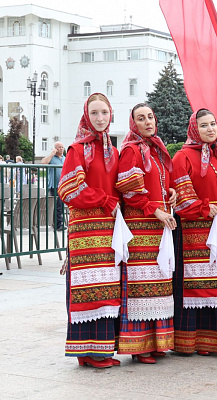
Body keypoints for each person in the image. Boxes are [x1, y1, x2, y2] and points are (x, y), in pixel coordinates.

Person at [58, 93, 121, 368]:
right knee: (88, 288)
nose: (99, 118)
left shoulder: (113, 150)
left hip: (109, 227)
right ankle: (87, 352)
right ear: (86, 115)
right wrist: (104, 199)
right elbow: (69, 189)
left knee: (107, 288)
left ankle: (101, 351)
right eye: (94, 113)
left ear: (111, 115)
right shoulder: (77, 148)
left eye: (104, 113)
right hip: (85, 228)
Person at [171, 109, 217, 355]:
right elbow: (182, 194)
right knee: (198, 285)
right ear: (193, 129)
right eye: (203, 125)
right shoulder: (183, 157)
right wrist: (202, 208)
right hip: (196, 234)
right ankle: (193, 342)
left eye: (213, 124)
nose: (210, 129)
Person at [116, 103, 177, 364]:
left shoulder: (158, 149)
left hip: (160, 223)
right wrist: (156, 210)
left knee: (160, 281)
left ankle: (158, 342)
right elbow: (130, 192)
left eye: (151, 117)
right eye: (141, 119)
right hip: (141, 225)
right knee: (142, 285)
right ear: (133, 124)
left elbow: (163, 182)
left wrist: (171, 193)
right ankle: (140, 346)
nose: (148, 122)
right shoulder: (131, 150)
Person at [41, 142, 66, 230]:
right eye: (59, 147)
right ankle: (58, 225)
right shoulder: (52, 158)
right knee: (57, 206)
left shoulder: (64, 158)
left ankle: (60, 223)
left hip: (63, 185)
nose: (61, 149)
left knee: (61, 206)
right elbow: (44, 162)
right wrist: (52, 153)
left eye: (62, 147)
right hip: (54, 185)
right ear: (55, 148)